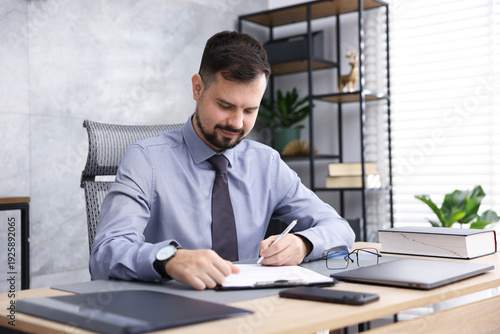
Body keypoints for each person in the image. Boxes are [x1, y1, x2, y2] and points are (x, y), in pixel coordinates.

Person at [89, 30, 355, 290]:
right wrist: (168, 259)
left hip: (252, 312)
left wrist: (303, 244)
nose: (237, 123)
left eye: (250, 110)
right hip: (174, 314)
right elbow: (105, 254)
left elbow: (339, 228)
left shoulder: (266, 164)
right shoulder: (146, 160)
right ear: (197, 88)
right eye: (226, 106)